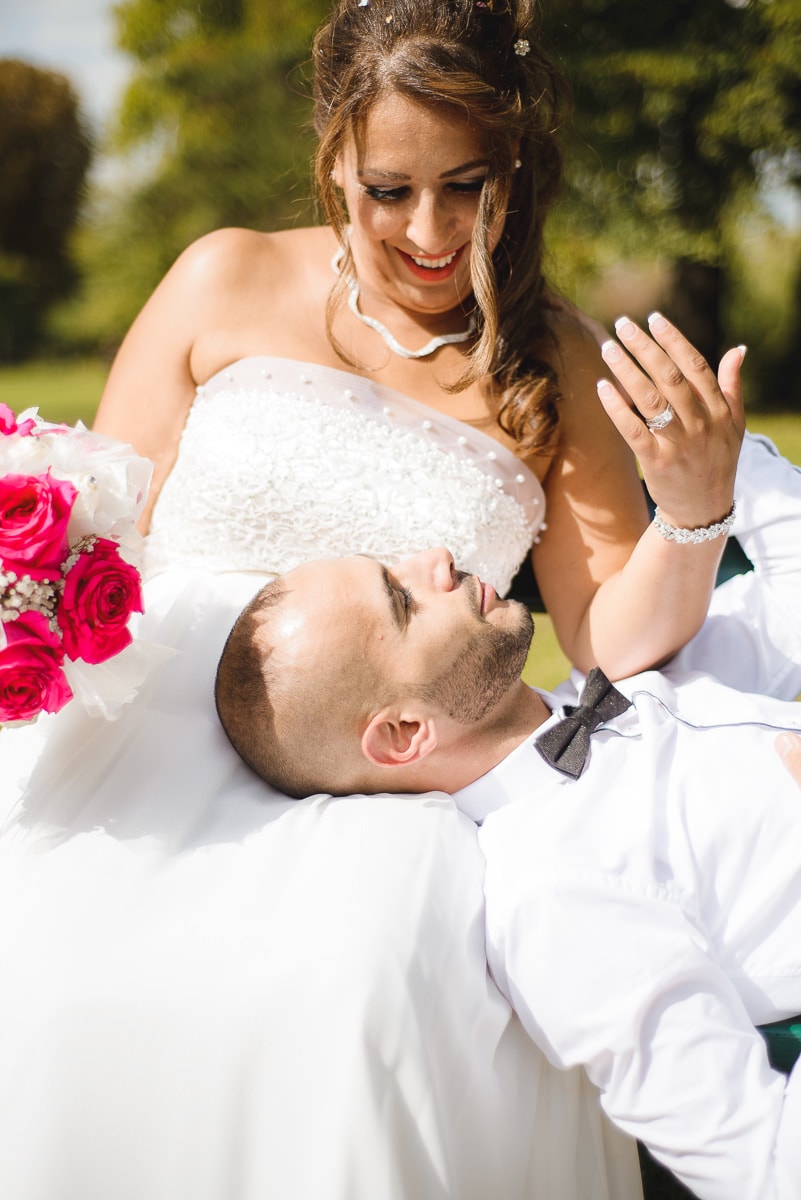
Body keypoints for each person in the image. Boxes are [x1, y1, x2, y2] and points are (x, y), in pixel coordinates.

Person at [0, 0, 764, 1195]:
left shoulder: (547, 358)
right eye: (387, 190)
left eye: (467, 184)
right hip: (136, 728)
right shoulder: (222, 277)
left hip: (383, 772)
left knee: (359, 991)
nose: (430, 229)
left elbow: (613, 633)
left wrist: (693, 514)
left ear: (516, 160)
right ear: (333, 160)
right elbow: (96, 518)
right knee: (43, 967)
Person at [215, 437, 801, 1200]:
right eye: (401, 600)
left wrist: (728, 453)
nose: (434, 558)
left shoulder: (620, 686)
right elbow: (760, 1163)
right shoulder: (555, 898)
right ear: (402, 734)